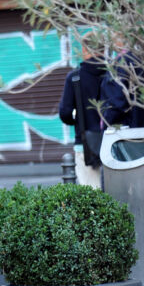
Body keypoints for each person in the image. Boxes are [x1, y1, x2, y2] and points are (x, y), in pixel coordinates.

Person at [58, 39, 112, 188]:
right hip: (115, 141)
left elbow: (65, 112)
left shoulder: (75, 77)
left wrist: (77, 119)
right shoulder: (113, 73)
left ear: (84, 50)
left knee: (91, 193)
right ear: (102, 50)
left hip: (85, 143)